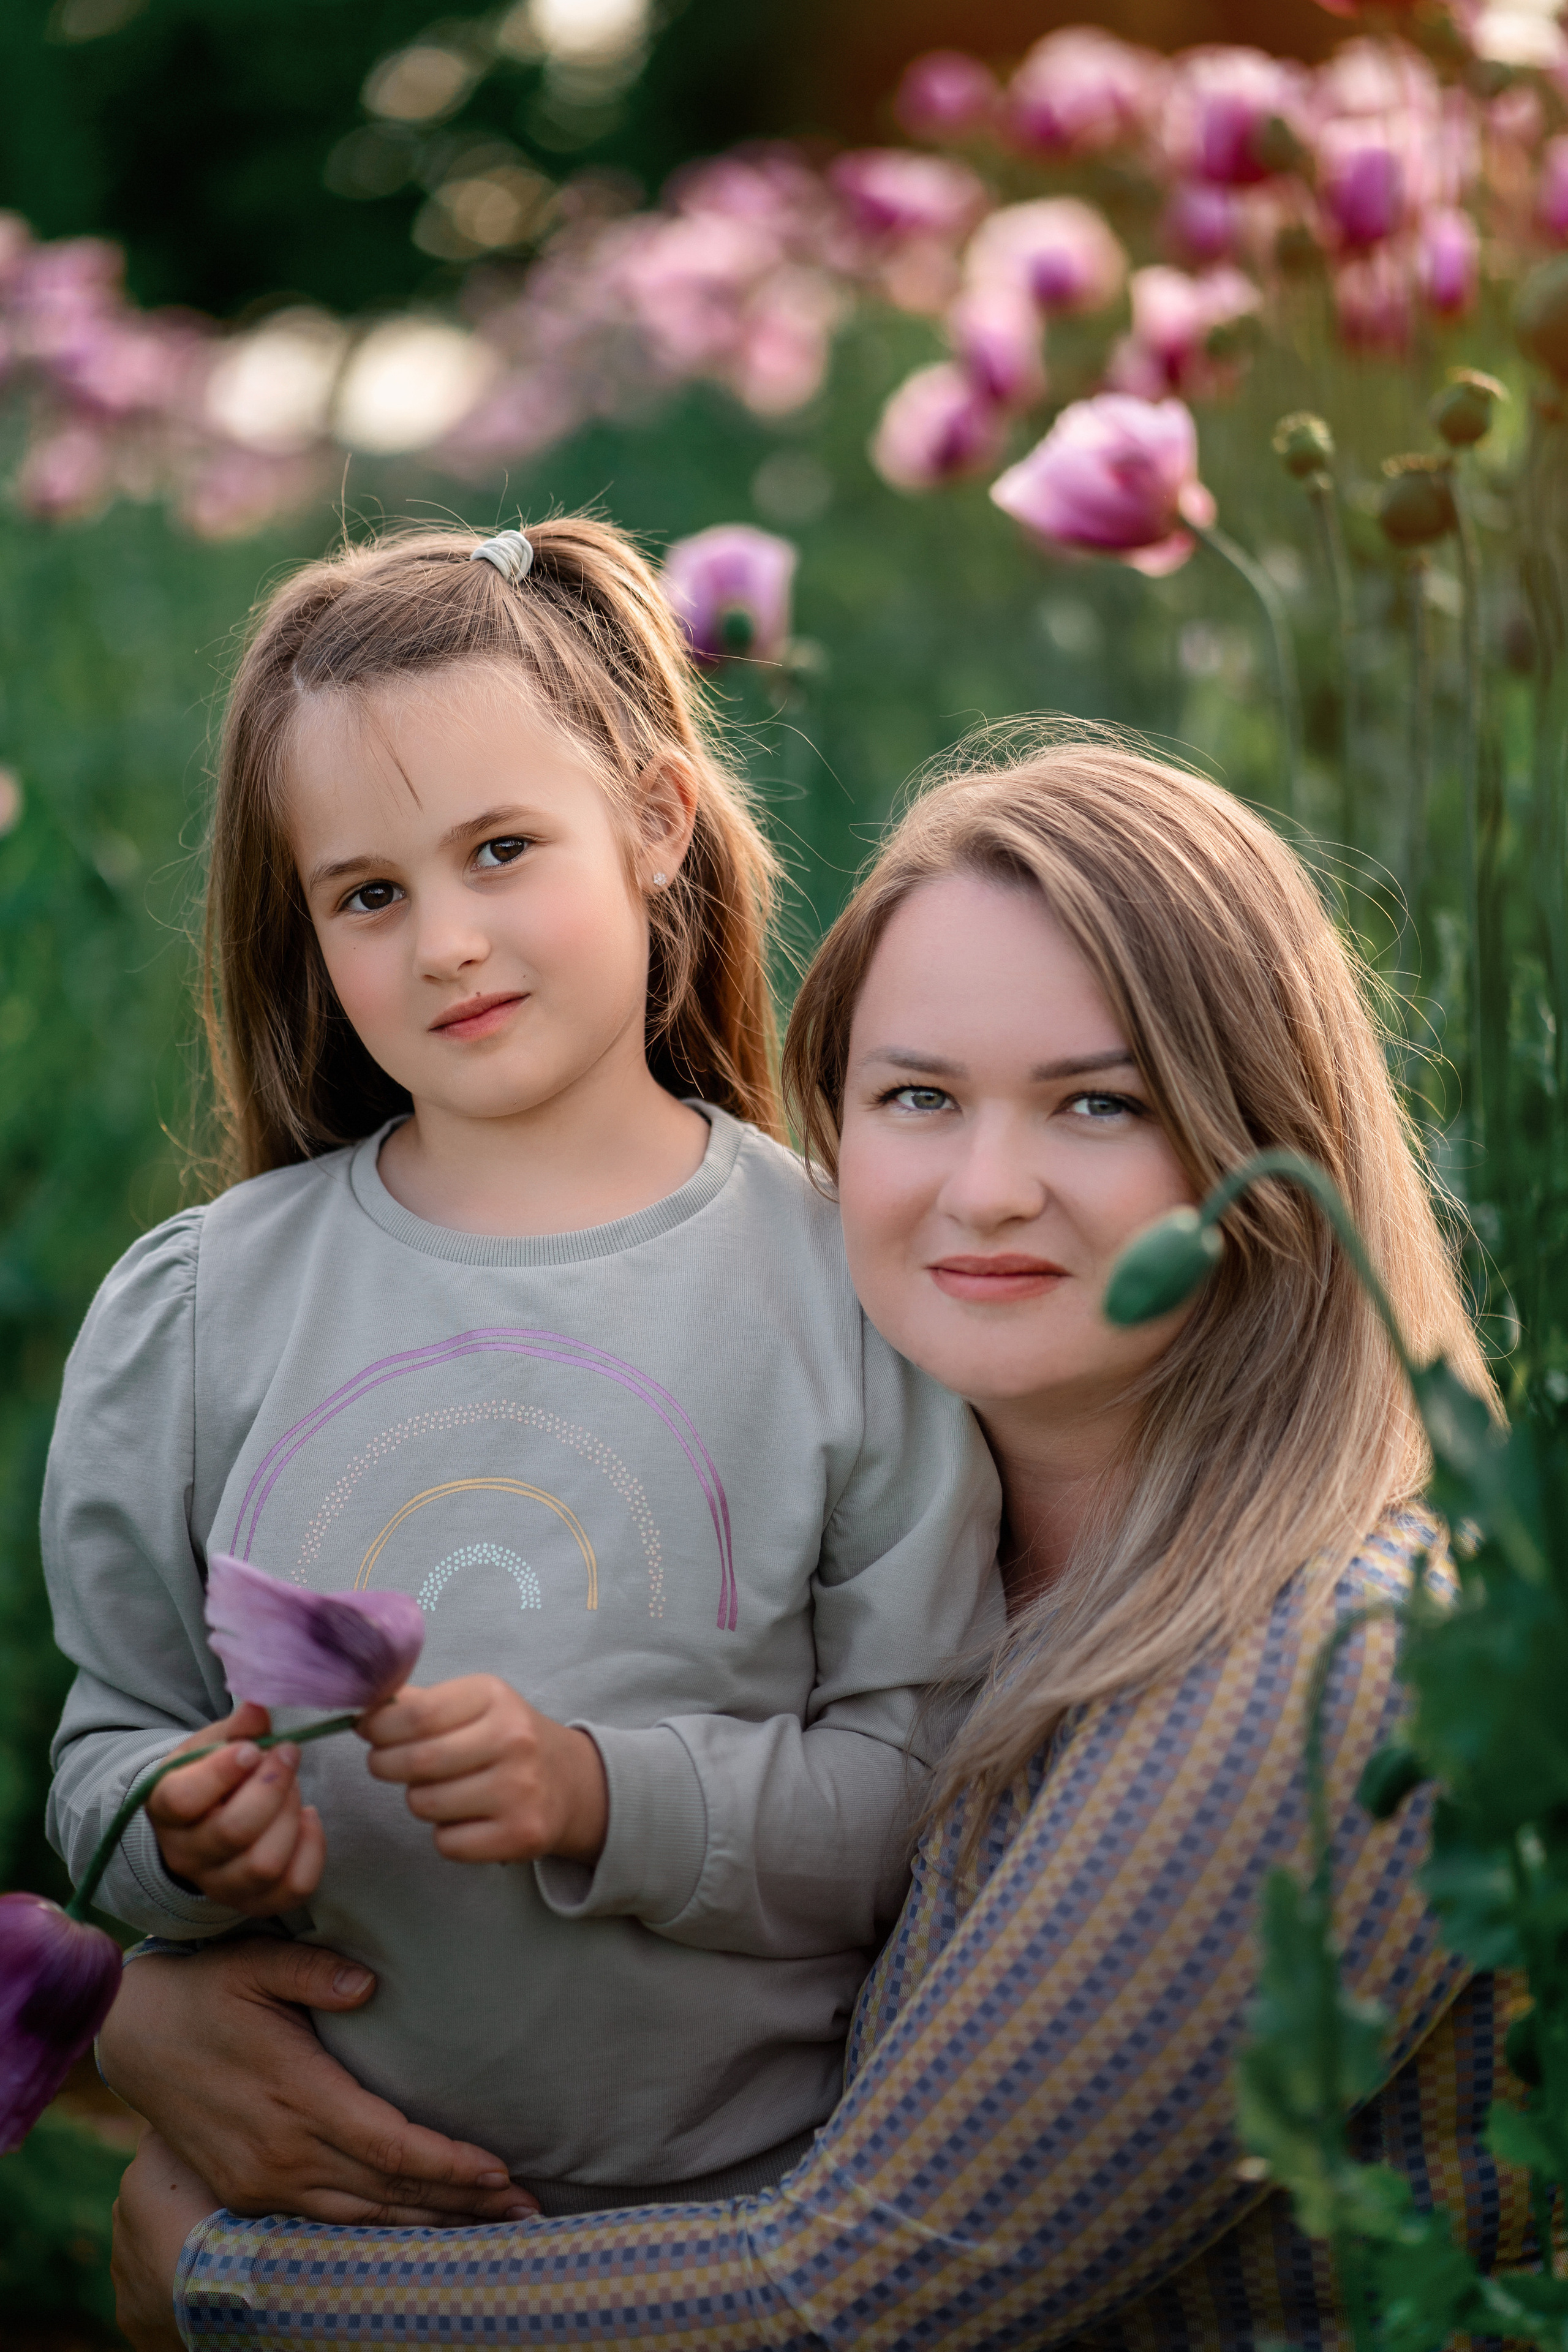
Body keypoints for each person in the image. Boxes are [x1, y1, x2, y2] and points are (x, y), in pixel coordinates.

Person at [113, 731, 1525, 2351]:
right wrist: (155, 2010)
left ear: (1261, 1153)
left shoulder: (1321, 1660)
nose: (986, 1189)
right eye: (919, 1096)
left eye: (1098, 1103)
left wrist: (221, 2279)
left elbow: (847, 2303)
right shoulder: (861, 1570)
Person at [42, 518, 1002, 2223]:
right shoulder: (200, 1310)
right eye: (369, 895)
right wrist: (179, 1839)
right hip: (321, 2222)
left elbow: (913, 1803)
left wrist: (592, 1790)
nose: (447, 945)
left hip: (734, 2232)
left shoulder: (842, 1292)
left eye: (501, 849)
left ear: (654, 821)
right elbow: (106, 1746)